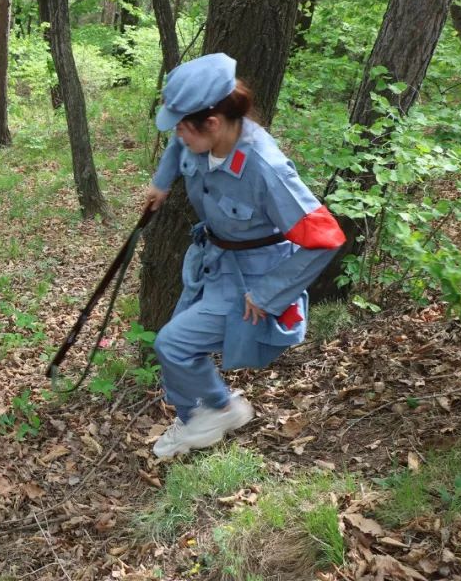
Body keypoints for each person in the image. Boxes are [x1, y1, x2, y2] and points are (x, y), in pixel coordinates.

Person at [143, 53, 345, 459]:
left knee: (173, 344)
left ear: (212, 123)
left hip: (251, 280)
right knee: (180, 342)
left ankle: (222, 409)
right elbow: (176, 144)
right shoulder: (202, 132)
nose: (178, 135)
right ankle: (195, 417)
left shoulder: (265, 170)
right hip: (214, 265)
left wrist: (270, 293)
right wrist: (161, 182)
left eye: (184, 127)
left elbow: (326, 236)